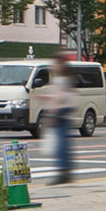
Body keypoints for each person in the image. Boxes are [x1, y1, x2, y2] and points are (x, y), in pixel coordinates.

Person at [44, 53, 76, 186]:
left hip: (60, 112)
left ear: (61, 65)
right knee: (64, 143)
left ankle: (63, 172)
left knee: (60, 144)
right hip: (66, 110)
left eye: (55, 64)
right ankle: (66, 171)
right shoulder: (67, 79)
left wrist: (51, 114)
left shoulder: (60, 80)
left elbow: (58, 97)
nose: (53, 66)